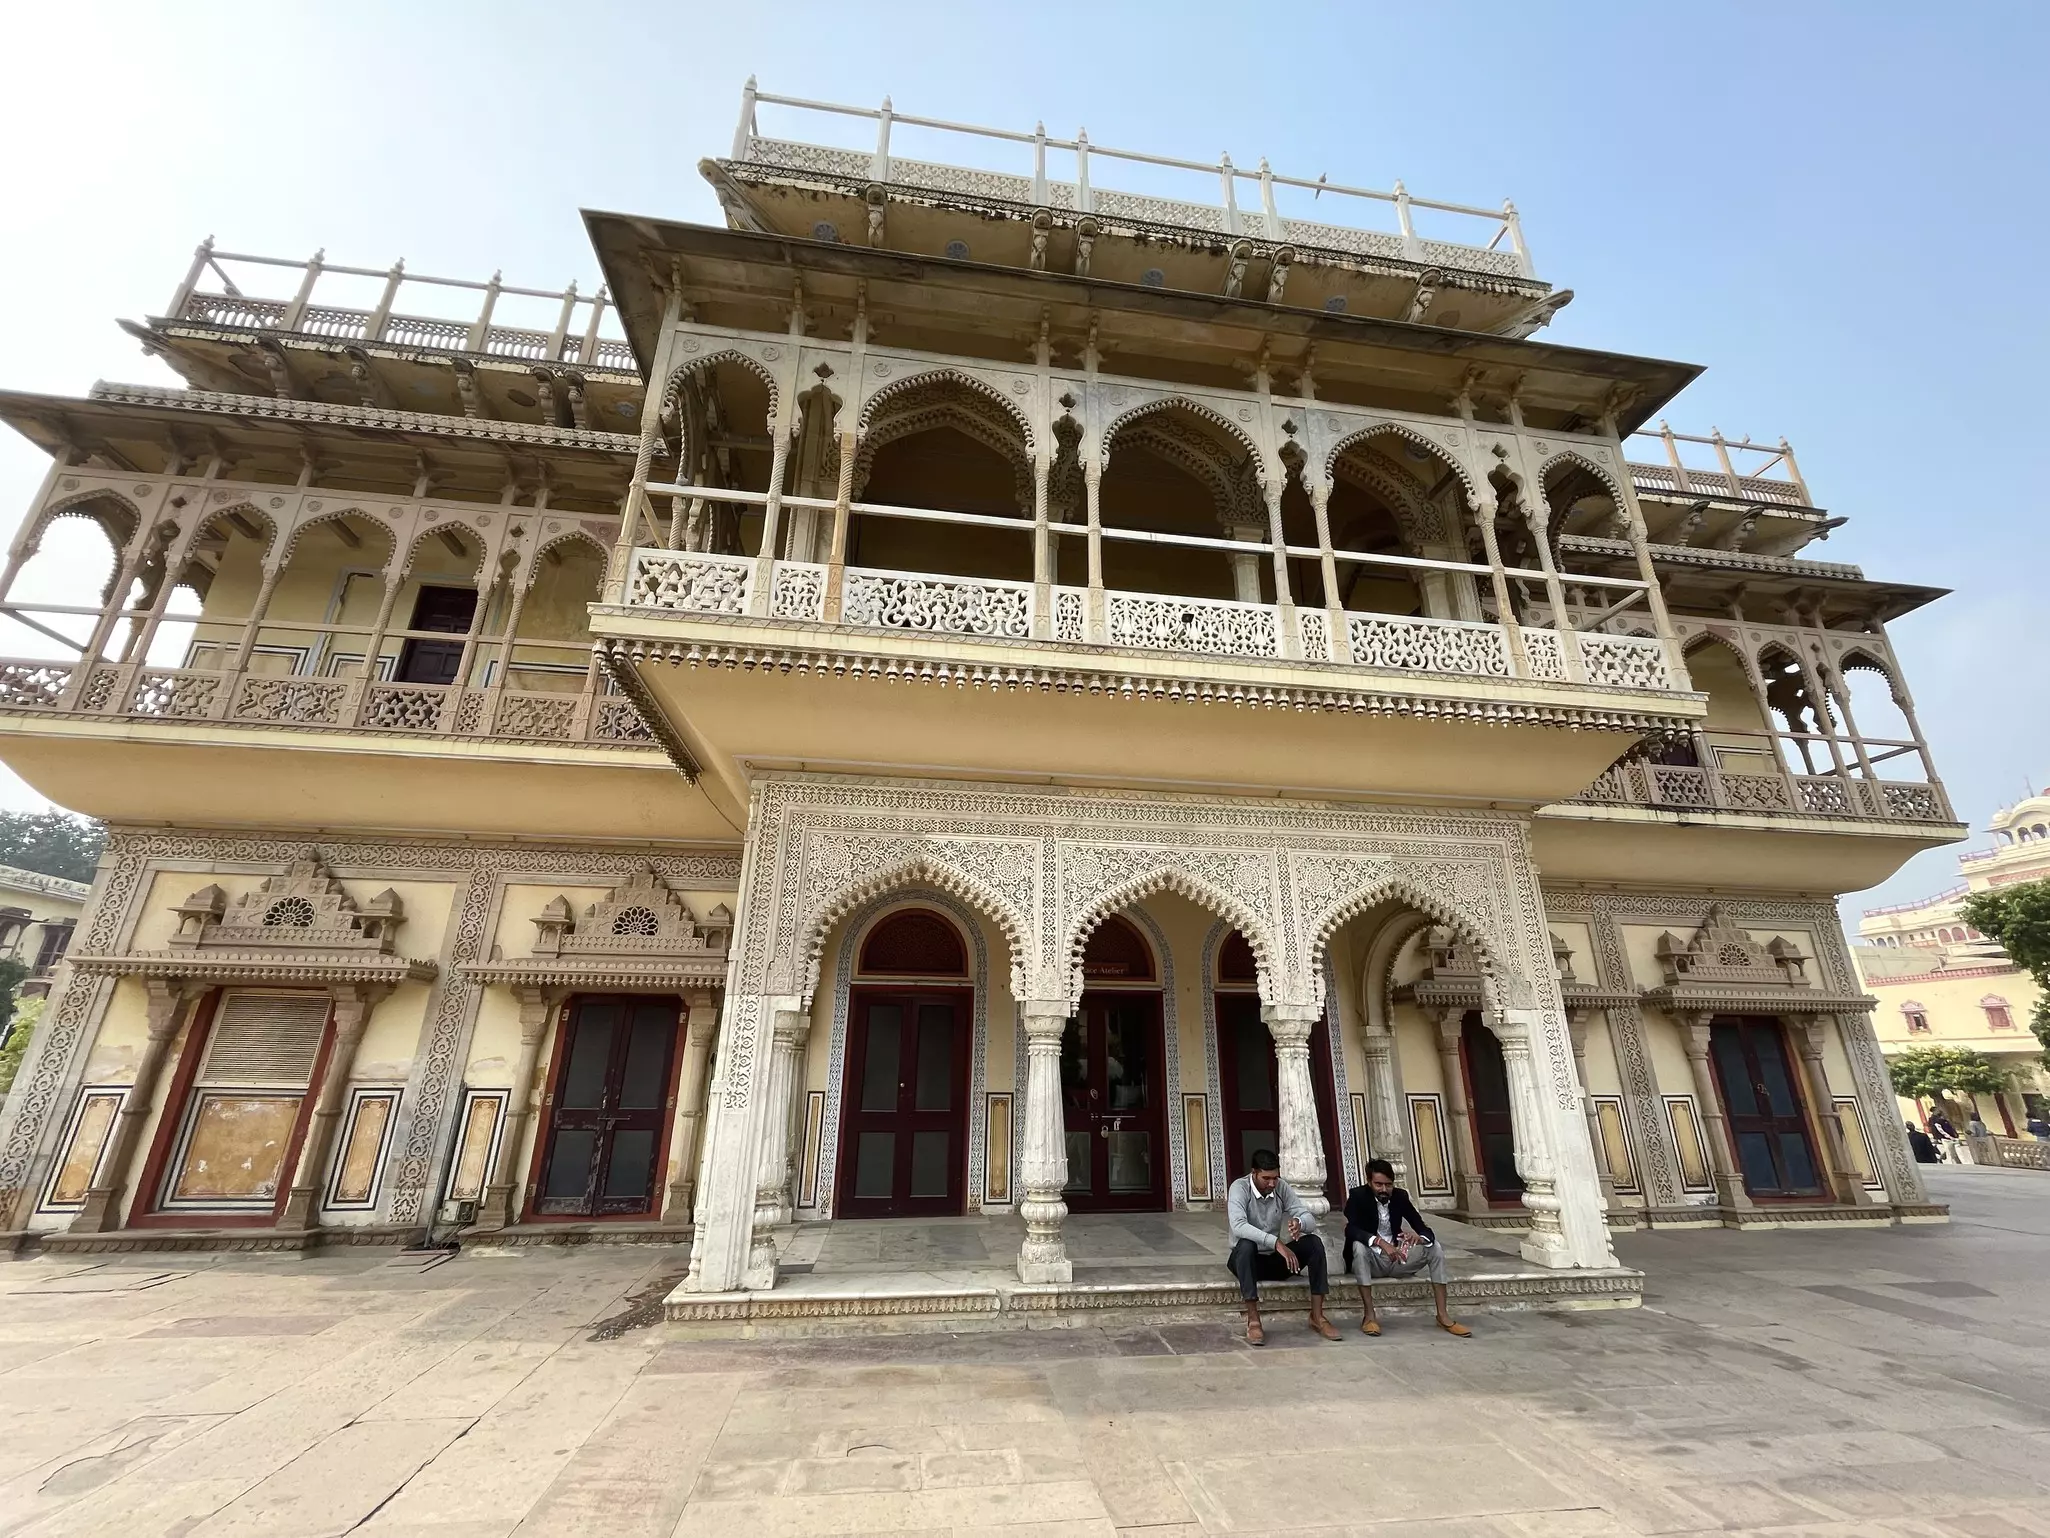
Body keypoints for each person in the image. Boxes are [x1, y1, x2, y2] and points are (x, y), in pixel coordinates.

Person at [1343, 1159, 1470, 1338]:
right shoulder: (1358, 1196)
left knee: (1434, 1247)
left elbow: (1424, 1228)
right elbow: (1351, 1229)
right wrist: (1380, 1242)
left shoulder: (1400, 1197)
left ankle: (1443, 1315)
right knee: (1359, 1246)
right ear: (1369, 1181)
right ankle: (1369, 1316)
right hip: (1372, 1261)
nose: (1383, 1189)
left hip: (1397, 1260)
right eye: (1378, 1184)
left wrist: (1419, 1238)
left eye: (1388, 1185)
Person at [1225, 1148, 1338, 1345]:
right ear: (1254, 1173)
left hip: (1273, 1260)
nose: (1272, 1183)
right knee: (1245, 1245)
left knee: (1314, 1243)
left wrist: (1299, 1223)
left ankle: (1318, 1317)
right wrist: (1275, 1242)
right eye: (1266, 1178)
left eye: (1275, 1178)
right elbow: (1239, 1226)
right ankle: (1253, 1320)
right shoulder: (1239, 1188)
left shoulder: (1281, 1187)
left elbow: (1307, 1217)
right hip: (1247, 1261)